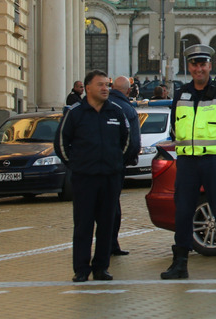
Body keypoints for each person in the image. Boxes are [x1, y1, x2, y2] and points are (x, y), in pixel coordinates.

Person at [161, 44, 216, 280]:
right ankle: (179, 264)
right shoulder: (181, 93)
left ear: (209, 66)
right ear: (189, 67)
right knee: (183, 212)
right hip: (187, 161)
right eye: (194, 64)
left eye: (202, 64)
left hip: (213, 161)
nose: (198, 68)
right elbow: (175, 125)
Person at [54, 70, 133, 282]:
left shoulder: (116, 112)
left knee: (106, 225)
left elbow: (126, 141)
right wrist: (76, 165)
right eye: (100, 85)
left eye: (107, 85)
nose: (105, 88)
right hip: (84, 178)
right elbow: (61, 143)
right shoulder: (76, 112)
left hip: (110, 178)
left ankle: (101, 268)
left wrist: (116, 163)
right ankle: (81, 269)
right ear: (88, 88)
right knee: (83, 225)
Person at [108, 76, 142, 256]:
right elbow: (134, 143)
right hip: (115, 167)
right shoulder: (127, 110)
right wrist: (123, 161)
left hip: (92, 167)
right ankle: (111, 244)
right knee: (113, 206)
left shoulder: (101, 106)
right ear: (128, 91)